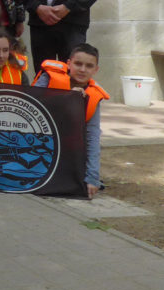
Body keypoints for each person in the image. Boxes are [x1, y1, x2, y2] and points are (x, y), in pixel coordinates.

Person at [33, 43, 108, 199]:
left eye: (89, 66)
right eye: (78, 64)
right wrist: (67, 97)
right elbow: (32, 106)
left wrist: (92, 177)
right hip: (35, 141)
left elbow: (92, 137)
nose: (82, 69)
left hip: (66, 148)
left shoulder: (94, 95)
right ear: (68, 64)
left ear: (96, 70)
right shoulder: (48, 77)